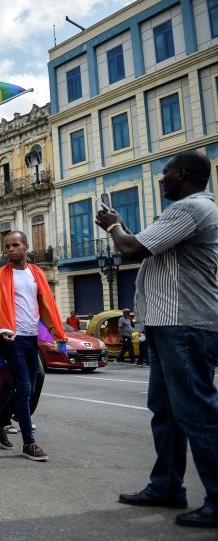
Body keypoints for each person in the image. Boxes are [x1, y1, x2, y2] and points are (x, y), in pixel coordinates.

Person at [97, 150, 218, 529]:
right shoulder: (191, 210)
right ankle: (166, 485)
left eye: (165, 174)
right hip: (170, 325)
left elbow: (132, 248)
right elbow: (147, 246)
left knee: (196, 411)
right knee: (166, 410)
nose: (161, 180)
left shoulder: (190, 209)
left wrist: (115, 226)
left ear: (182, 174)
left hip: (185, 324)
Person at [0, 230, 65, 462]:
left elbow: (45, 304)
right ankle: (29, 443)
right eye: (7, 246)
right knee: (23, 386)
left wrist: (54, 331)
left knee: (28, 388)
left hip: (32, 337)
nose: (10, 249)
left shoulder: (37, 273)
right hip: (12, 338)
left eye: (15, 245)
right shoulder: (1, 276)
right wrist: (2, 331)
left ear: (26, 246)